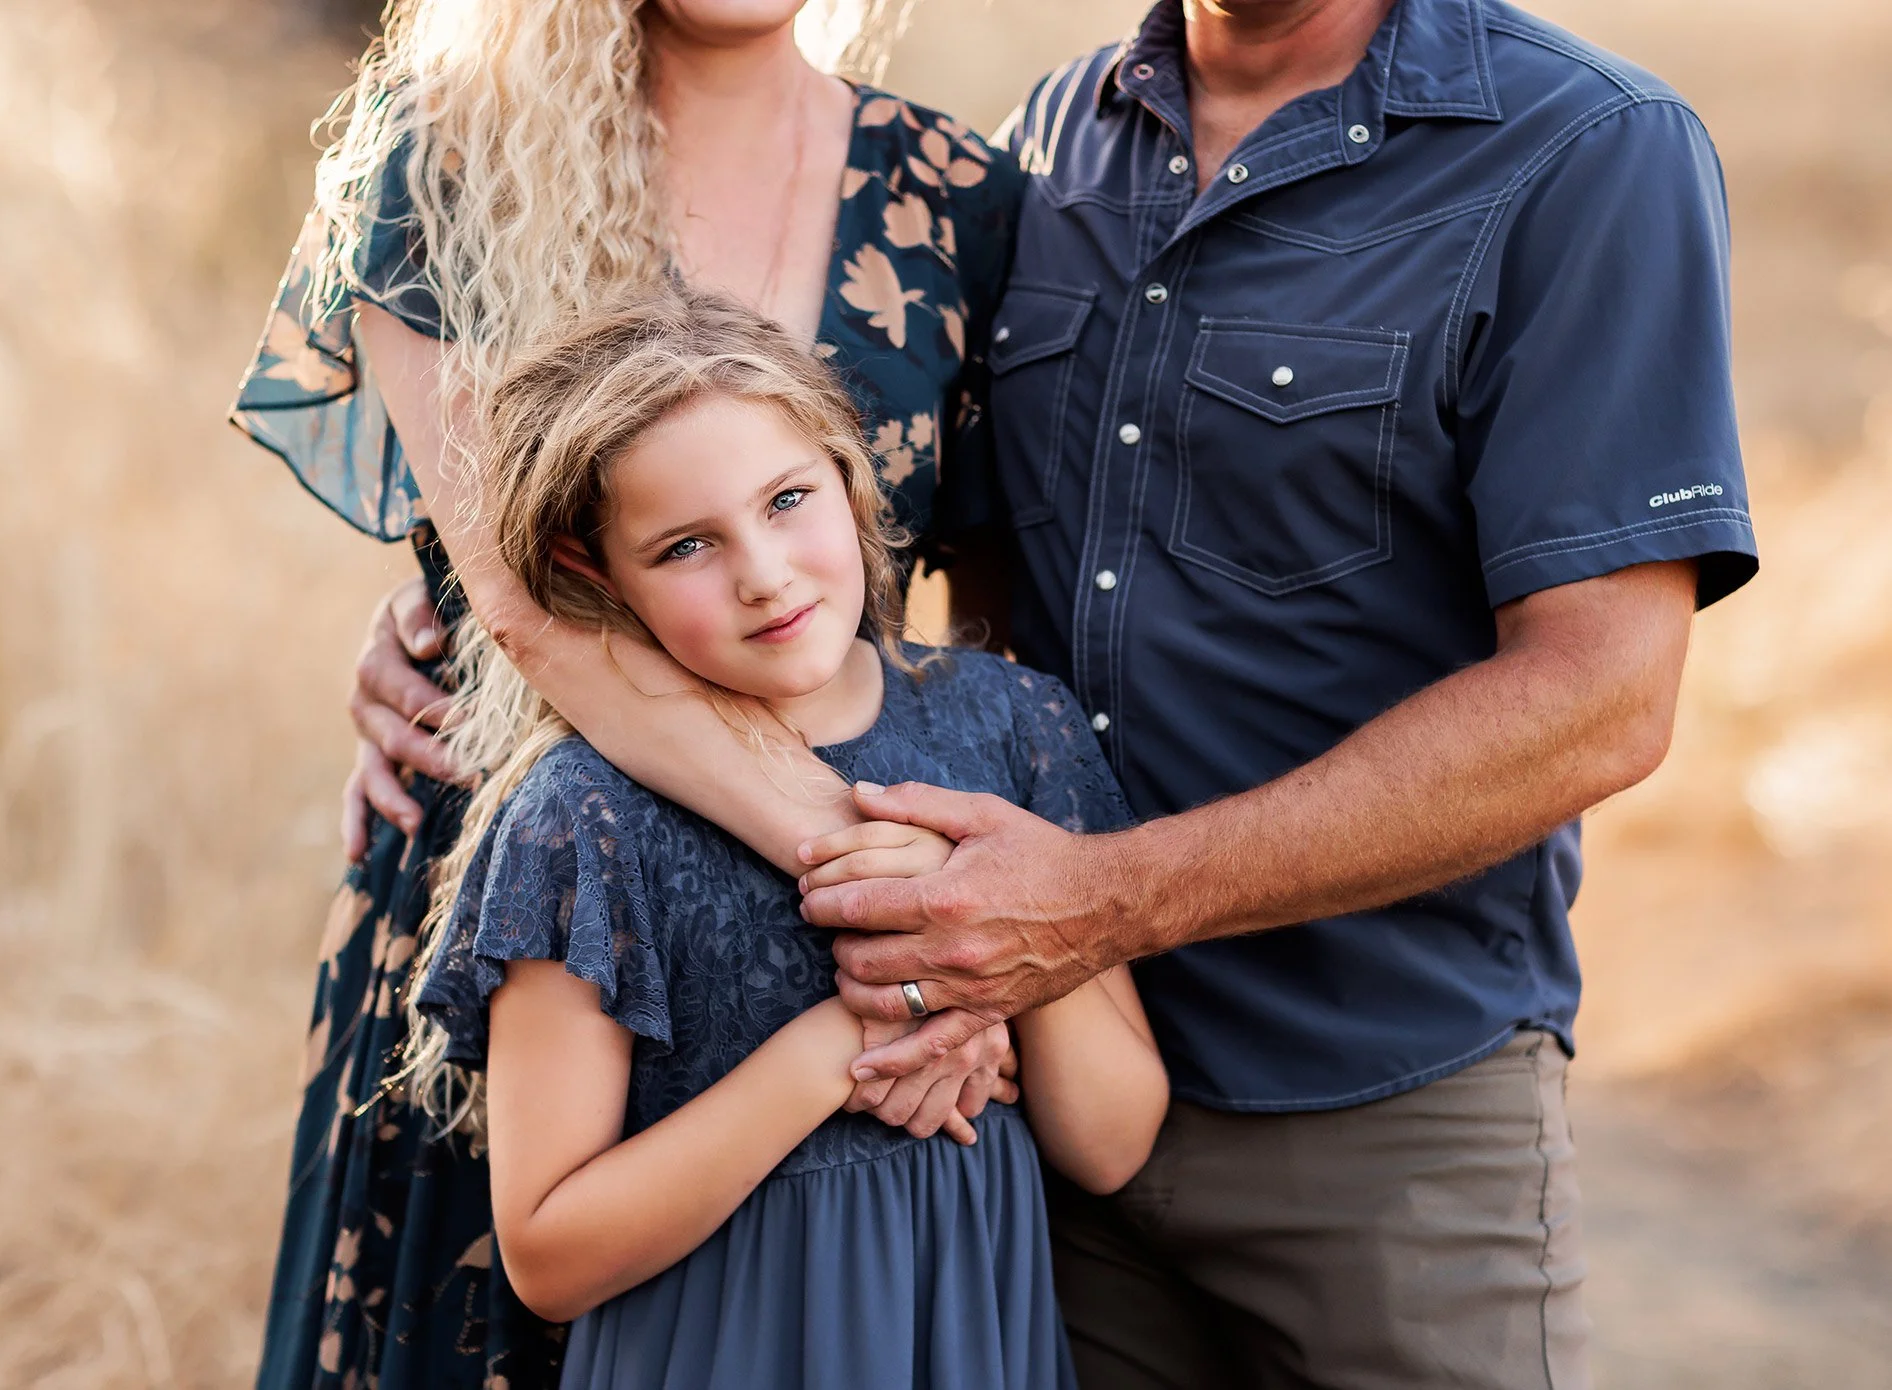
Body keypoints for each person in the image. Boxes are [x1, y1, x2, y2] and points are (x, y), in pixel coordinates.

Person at [789, 0, 1760, 1385]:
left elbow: (1604, 694)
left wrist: (1097, 903)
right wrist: (466, 619)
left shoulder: (1589, 152)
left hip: (1389, 1132)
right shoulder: (1053, 147)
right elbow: (964, 586)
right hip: (1046, 1108)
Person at [228, 1, 1023, 1383]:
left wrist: (991, 930)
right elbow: (529, 605)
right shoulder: (447, 150)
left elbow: (989, 617)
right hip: (549, 937)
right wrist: (919, 920)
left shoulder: (955, 194)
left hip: (859, 978)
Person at [405, 282, 1167, 1390]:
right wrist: (834, 1058)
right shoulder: (584, 818)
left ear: (851, 476)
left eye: (786, 499)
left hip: (964, 1341)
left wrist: (989, 926)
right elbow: (547, 1253)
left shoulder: (1011, 727)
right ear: (590, 572)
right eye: (682, 547)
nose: (762, 574)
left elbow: (1111, 1142)